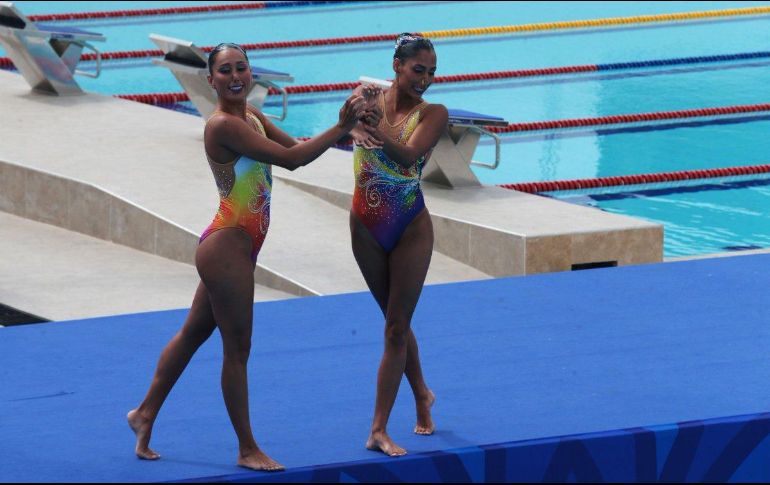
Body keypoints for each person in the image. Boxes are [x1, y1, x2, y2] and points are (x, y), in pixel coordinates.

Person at [127, 42, 369, 472]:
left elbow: (296, 145)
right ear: (210, 80)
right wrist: (342, 126)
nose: (236, 76)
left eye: (242, 67)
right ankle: (246, 448)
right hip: (228, 246)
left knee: (191, 335)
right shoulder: (223, 126)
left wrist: (344, 129)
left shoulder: (253, 117)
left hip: (236, 246)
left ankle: (144, 413)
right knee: (237, 349)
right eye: (225, 71)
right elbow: (294, 161)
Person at [349, 33, 448, 457]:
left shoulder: (435, 113)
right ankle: (423, 392)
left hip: (409, 227)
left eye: (431, 72)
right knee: (397, 323)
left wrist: (372, 129)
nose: (424, 79)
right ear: (396, 65)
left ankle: (378, 428)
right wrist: (355, 115)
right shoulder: (365, 100)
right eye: (417, 70)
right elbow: (345, 128)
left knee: (394, 326)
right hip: (364, 227)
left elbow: (408, 156)